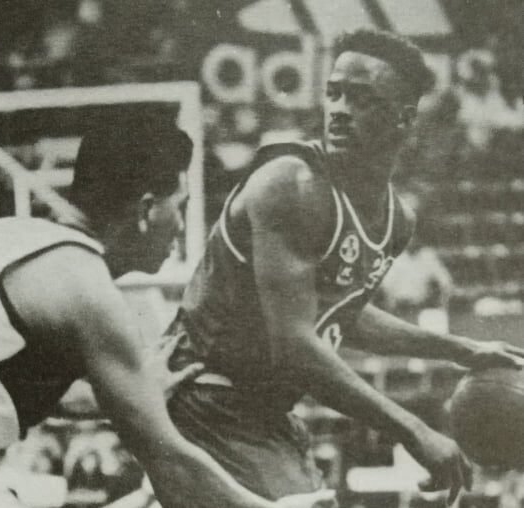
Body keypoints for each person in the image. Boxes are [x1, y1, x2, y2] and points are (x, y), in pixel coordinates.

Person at [166, 29, 524, 505]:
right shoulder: (290, 185)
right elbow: (295, 347)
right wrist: (414, 430)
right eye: (334, 93)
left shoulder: (397, 220)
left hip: (262, 411)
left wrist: (462, 349)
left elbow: (341, 313)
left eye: (361, 98)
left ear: (404, 118)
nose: (338, 109)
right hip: (203, 395)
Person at [0, 117, 335, 508]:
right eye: (180, 206)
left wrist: (127, 396)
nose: (182, 224)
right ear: (147, 209)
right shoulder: (87, 288)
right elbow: (168, 460)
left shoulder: (11, 234)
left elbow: (7, 386)